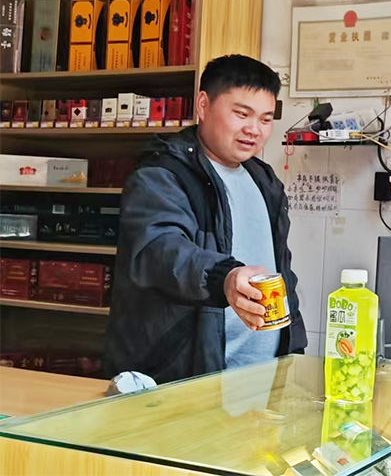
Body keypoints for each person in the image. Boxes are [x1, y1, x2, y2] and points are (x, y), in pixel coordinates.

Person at [106, 55, 307, 384]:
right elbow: (159, 252)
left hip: (264, 375)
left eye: (266, 119)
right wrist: (223, 277)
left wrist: (294, 348)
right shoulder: (162, 175)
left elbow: (282, 270)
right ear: (203, 105)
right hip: (187, 375)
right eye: (241, 114)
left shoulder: (264, 180)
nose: (254, 130)